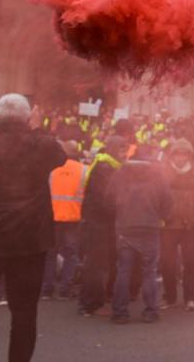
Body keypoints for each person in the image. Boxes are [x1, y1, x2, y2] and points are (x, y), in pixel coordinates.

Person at [0, 94, 66, 362]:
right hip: (28, 244)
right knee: (24, 313)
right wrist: (37, 127)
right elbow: (60, 156)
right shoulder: (41, 145)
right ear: (27, 118)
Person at [106, 143, 172, 324]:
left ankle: (120, 312)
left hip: (125, 226)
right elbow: (167, 200)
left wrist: (119, 216)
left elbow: (109, 199)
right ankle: (150, 311)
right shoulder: (157, 174)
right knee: (149, 271)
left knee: (124, 270)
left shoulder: (120, 173)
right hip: (150, 226)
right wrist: (161, 216)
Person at [78, 134, 129, 316]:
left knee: (104, 262)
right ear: (114, 150)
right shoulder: (105, 168)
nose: (125, 154)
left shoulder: (108, 166)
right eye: (122, 150)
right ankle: (89, 303)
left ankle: (99, 298)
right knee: (95, 263)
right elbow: (106, 199)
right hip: (98, 222)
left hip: (103, 221)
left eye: (126, 150)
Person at [160, 138, 194, 312]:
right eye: (178, 154)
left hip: (191, 225)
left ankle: (190, 297)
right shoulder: (162, 171)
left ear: (190, 155)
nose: (181, 158)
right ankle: (170, 296)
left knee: (190, 263)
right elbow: (157, 197)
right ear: (172, 155)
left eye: (184, 154)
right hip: (168, 225)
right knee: (167, 263)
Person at [42, 140, 87, 300]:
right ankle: (65, 290)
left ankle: (47, 290)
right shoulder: (84, 170)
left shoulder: (53, 170)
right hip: (73, 218)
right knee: (71, 255)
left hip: (53, 217)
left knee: (50, 255)